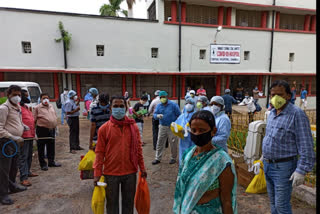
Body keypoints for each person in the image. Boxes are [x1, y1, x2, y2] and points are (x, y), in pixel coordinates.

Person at [262, 80, 315, 214]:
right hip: (268, 164)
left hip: (283, 167)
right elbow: (270, 137)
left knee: (281, 206)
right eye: (273, 94)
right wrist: (262, 157)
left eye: (279, 94)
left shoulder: (297, 114)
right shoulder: (273, 113)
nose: (275, 98)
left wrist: (302, 170)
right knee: (273, 203)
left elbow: (306, 144)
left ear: (288, 95)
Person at [173, 110, 237, 213]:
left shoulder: (222, 161)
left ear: (213, 131)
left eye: (202, 130)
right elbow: (181, 188)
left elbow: (226, 201)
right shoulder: (188, 155)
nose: (197, 134)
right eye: (193, 130)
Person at [93, 95, 147, 214]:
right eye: (115, 106)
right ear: (111, 109)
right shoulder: (104, 129)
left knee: (128, 204)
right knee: (112, 206)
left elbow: (138, 150)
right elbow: (99, 153)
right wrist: (97, 173)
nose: (119, 109)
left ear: (126, 107)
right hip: (110, 173)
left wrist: (142, 168)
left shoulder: (133, 127)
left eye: (121, 106)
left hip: (130, 172)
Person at [0, 85, 27, 205]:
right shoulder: (4, 108)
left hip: (16, 142)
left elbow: (18, 121)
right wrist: (12, 136)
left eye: (19, 95)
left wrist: (23, 127)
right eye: (14, 94)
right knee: (4, 169)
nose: (17, 97)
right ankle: (3, 194)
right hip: (6, 142)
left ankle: (12, 186)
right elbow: (0, 128)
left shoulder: (17, 107)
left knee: (13, 167)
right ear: (8, 95)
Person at [34, 93, 61, 171]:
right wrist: (34, 131)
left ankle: (51, 162)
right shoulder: (37, 108)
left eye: (47, 98)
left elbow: (54, 116)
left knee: (51, 146)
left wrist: (56, 127)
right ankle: (43, 164)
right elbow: (34, 120)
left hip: (51, 129)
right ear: (41, 99)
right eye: (44, 98)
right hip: (42, 130)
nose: (46, 99)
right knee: (41, 148)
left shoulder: (51, 106)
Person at [152, 91, 181, 165]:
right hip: (162, 126)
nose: (162, 99)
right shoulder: (159, 106)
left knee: (173, 142)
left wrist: (177, 124)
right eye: (161, 97)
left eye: (164, 97)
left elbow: (179, 115)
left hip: (172, 126)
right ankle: (157, 158)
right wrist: (157, 116)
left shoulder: (173, 105)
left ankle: (173, 158)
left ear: (167, 97)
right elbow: (154, 114)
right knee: (160, 142)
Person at [18, 90, 38, 187]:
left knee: (30, 156)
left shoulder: (26, 107)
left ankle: (28, 171)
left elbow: (31, 121)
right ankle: (23, 177)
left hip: (30, 135)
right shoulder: (18, 108)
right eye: (25, 96)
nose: (28, 98)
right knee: (23, 157)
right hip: (23, 137)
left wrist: (34, 134)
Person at [174, 97, 196, 164]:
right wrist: (179, 130)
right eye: (187, 103)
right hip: (184, 141)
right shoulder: (182, 116)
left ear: (194, 105)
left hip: (194, 141)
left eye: (190, 103)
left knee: (193, 157)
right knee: (183, 157)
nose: (188, 105)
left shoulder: (197, 116)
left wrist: (191, 130)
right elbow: (175, 125)